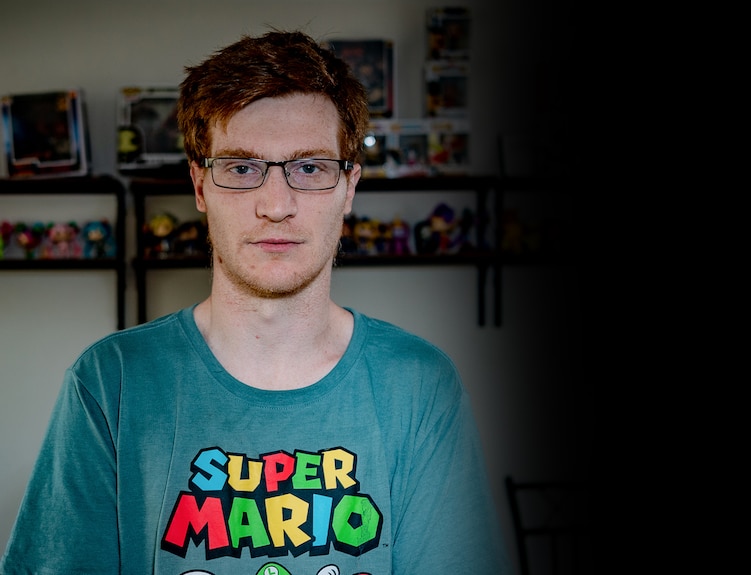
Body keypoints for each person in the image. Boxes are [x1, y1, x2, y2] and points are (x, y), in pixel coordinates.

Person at [0, 29, 513, 575]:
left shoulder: (418, 386)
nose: (276, 205)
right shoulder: (109, 383)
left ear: (349, 187)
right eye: (242, 168)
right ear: (200, 185)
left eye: (310, 168)